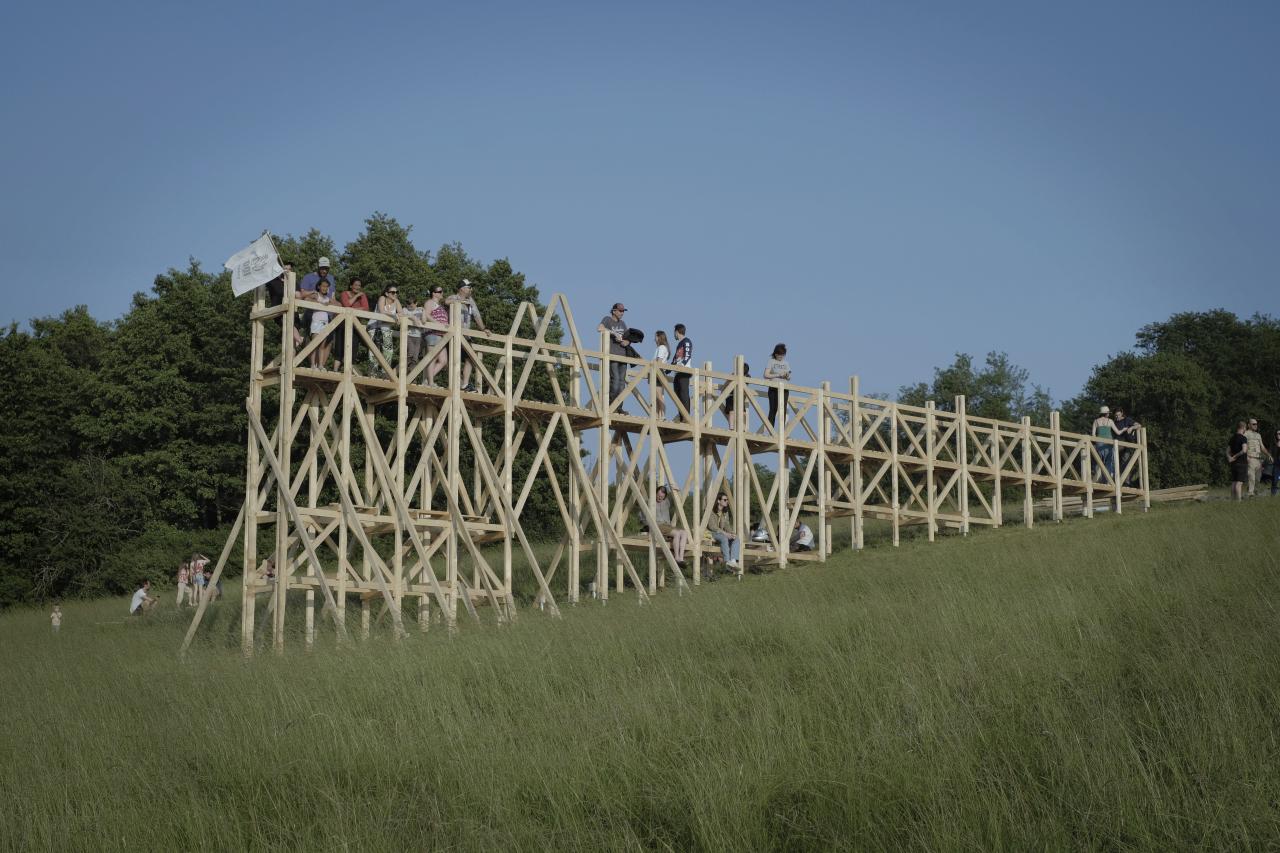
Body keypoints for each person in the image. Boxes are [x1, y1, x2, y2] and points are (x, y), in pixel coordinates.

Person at [447, 279, 490, 391]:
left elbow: (477, 316)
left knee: (471, 358)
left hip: (466, 335)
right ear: (461, 288)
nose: (471, 289)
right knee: (453, 360)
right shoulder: (453, 297)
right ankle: (457, 382)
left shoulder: (471, 300)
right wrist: (460, 301)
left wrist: (484, 328)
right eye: (469, 287)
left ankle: (464, 384)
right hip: (453, 335)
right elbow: (446, 301)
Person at [296, 258, 336, 348]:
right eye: (322, 268)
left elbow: (333, 296)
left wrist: (335, 310)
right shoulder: (308, 277)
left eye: (326, 268)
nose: (324, 271)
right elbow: (302, 295)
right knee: (312, 342)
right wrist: (314, 294)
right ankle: (310, 357)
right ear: (318, 266)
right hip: (312, 314)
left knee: (328, 343)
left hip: (328, 316)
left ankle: (321, 361)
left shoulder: (331, 278)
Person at [597, 303, 630, 409]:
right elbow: (599, 328)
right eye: (620, 311)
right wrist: (613, 333)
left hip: (623, 356)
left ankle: (619, 408)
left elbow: (627, 338)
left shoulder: (623, 323)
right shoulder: (607, 319)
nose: (622, 313)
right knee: (615, 381)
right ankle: (610, 406)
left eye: (623, 311)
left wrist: (627, 342)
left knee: (621, 384)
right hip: (612, 355)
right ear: (614, 311)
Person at [334, 278, 369, 370]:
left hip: (355, 325)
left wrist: (352, 310)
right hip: (342, 323)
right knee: (339, 347)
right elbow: (346, 305)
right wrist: (356, 296)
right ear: (351, 286)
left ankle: (347, 371)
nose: (358, 287)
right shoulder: (344, 294)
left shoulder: (362, 296)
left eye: (359, 285)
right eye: (356, 285)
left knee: (353, 348)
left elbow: (366, 309)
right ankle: (335, 370)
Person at [652, 485, 689, 566]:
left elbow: (679, 499)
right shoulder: (651, 501)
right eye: (658, 495)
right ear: (655, 494)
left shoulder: (666, 502)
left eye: (662, 497)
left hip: (668, 526)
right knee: (677, 533)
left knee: (684, 533)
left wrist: (677, 490)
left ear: (665, 496)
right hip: (658, 525)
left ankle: (681, 558)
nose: (659, 498)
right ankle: (676, 557)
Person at [304, 278, 335, 369]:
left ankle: (321, 365)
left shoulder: (328, 298)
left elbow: (337, 304)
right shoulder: (316, 295)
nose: (325, 288)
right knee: (314, 344)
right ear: (319, 287)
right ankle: (313, 364)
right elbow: (306, 299)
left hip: (325, 323)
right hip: (316, 322)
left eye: (327, 286)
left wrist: (330, 304)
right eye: (323, 286)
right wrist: (319, 303)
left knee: (322, 345)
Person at [372, 285, 402, 372]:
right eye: (393, 292)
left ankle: (385, 372)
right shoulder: (382, 298)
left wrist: (398, 316)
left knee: (388, 352)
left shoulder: (396, 301)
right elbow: (382, 311)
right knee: (374, 352)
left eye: (396, 292)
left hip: (386, 328)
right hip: (374, 327)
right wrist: (394, 315)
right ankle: (373, 374)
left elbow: (401, 313)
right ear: (386, 293)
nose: (395, 294)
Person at [708, 492, 741, 570]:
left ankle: (733, 561)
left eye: (727, 500)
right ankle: (727, 561)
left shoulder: (725, 512)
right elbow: (712, 527)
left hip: (721, 533)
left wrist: (732, 533)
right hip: (711, 532)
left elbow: (727, 525)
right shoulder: (711, 511)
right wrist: (725, 533)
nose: (727, 501)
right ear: (718, 501)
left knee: (736, 538)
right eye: (725, 500)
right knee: (724, 538)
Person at [423, 286, 449, 386]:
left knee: (443, 361)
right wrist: (438, 324)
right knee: (433, 358)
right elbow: (426, 314)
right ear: (433, 293)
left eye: (442, 291)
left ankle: (428, 380)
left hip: (441, 335)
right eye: (439, 291)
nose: (442, 293)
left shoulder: (440, 305)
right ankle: (430, 382)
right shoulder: (429, 302)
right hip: (433, 333)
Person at [1243, 418, 1272, 497]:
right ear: (1249, 425)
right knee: (1251, 477)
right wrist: (1246, 457)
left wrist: (1268, 455)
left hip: (1258, 459)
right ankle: (1250, 494)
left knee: (1257, 478)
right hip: (1251, 458)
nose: (1256, 425)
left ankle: (1253, 492)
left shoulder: (1258, 435)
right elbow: (1243, 446)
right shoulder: (1246, 434)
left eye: (1256, 424)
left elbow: (1262, 447)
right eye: (1253, 424)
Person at [764, 343, 791, 426]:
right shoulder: (771, 361)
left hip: (784, 388)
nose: (781, 357)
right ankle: (770, 430)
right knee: (773, 409)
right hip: (774, 388)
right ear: (776, 354)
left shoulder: (786, 363)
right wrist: (778, 375)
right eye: (780, 355)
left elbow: (789, 377)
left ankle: (782, 430)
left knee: (783, 409)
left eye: (783, 355)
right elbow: (766, 375)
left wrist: (786, 375)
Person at [1112, 408, 1141, 485]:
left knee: (1125, 462)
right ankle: (1117, 480)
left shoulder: (1127, 420)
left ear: (1122, 413)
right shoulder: (1114, 422)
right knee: (1116, 462)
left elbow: (1139, 425)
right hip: (1118, 444)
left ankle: (1126, 482)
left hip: (1127, 444)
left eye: (1118, 415)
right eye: (1116, 415)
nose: (1117, 417)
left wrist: (1131, 427)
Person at [671, 323, 693, 421]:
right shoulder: (679, 344)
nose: (674, 335)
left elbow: (688, 354)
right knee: (677, 395)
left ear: (677, 332)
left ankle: (686, 417)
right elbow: (675, 359)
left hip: (684, 371)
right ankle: (681, 417)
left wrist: (682, 364)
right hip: (677, 372)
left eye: (674, 332)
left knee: (684, 393)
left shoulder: (686, 341)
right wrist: (667, 369)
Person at [1091, 405, 1118, 481]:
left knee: (1099, 462)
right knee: (1108, 463)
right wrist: (1125, 429)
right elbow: (1117, 432)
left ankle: (1098, 480)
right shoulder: (1110, 421)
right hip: (1109, 444)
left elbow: (1093, 435)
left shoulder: (1096, 421)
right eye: (1108, 413)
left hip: (1099, 444)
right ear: (1106, 413)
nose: (1109, 414)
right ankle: (1106, 481)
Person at [722, 364, 750, 430]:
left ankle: (743, 428)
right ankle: (732, 428)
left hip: (740, 397)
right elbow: (726, 384)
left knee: (743, 412)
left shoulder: (747, 377)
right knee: (732, 411)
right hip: (731, 395)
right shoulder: (734, 374)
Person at [1228, 421, 1249, 501]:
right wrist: (1235, 456)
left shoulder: (1232, 438)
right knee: (1239, 483)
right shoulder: (1243, 438)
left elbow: (1227, 451)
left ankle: (1232, 500)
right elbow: (1244, 450)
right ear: (1243, 428)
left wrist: (1230, 458)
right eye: (1245, 428)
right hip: (1241, 463)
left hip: (1233, 464)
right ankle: (1238, 502)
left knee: (1234, 482)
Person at [652, 330, 670, 419]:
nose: (654, 339)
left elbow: (659, 361)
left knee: (658, 394)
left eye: (655, 337)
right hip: (659, 371)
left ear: (659, 337)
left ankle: (662, 415)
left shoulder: (662, 347)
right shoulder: (661, 348)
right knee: (658, 395)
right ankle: (659, 415)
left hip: (658, 371)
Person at [404, 295, 424, 369]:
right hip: (409, 335)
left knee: (415, 355)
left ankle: (412, 371)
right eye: (408, 306)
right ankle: (405, 367)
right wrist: (413, 318)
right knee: (411, 352)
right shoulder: (405, 309)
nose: (409, 307)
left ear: (416, 303)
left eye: (411, 306)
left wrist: (424, 311)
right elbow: (403, 314)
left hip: (418, 336)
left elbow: (424, 320)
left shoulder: (419, 310)